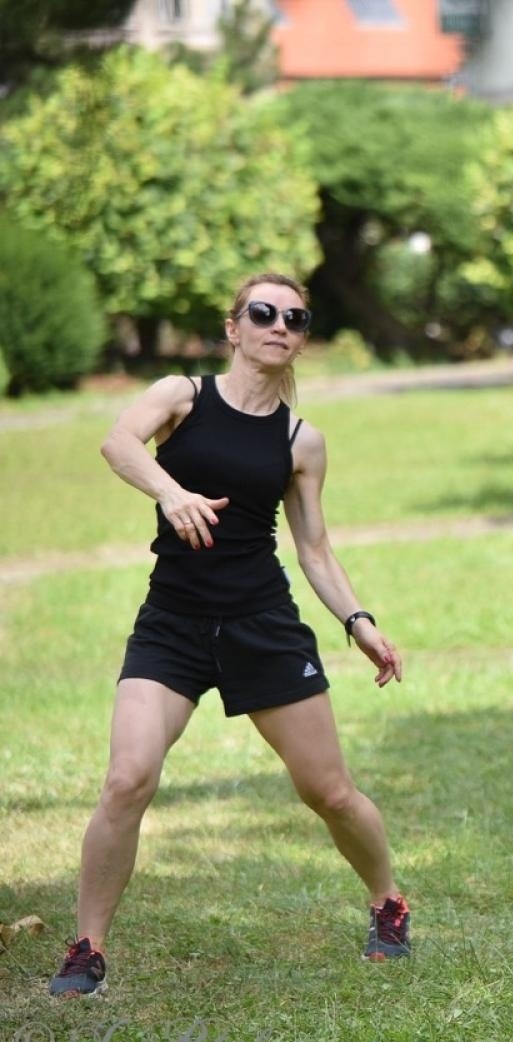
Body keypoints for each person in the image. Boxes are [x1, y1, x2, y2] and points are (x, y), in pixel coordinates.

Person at [49, 273, 411, 998]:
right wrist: (170, 492)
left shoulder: (301, 440)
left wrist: (359, 621)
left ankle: (388, 901)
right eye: (264, 312)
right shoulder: (181, 396)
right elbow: (117, 442)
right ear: (234, 327)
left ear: (303, 339)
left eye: (296, 318)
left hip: (262, 624)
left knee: (330, 793)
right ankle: (87, 948)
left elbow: (313, 548)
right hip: (173, 622)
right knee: (127, 780)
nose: (280, 324)